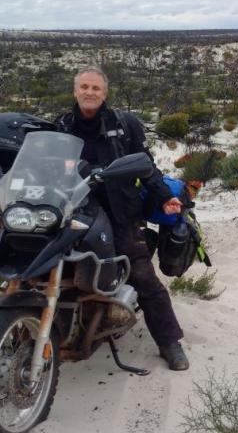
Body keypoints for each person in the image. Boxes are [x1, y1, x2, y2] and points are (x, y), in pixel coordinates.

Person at [56, 66, 189, 371]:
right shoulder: (62, 125)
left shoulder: (124, 124)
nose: (90, 93)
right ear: (75, 91)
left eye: (96, 88)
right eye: (84, 87)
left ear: (105, 93)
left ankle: (169, 342)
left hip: (120, 211)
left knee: (141, 274)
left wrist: (164, 197)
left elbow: (146, 167)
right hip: (73, 209)